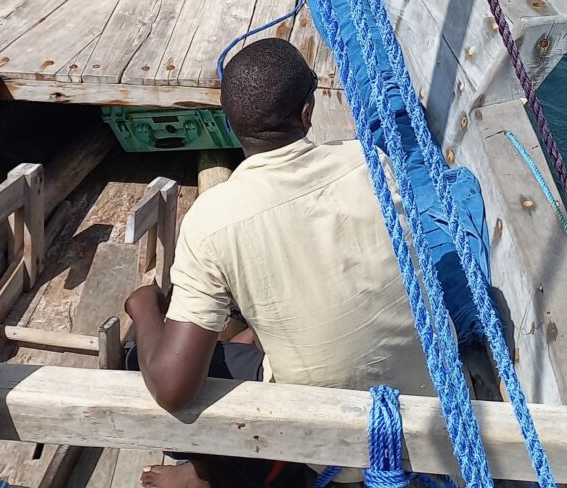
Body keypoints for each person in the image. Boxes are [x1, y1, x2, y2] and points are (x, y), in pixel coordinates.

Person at [124, 38, 436, 488]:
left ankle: (214, 476)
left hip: (332, 452)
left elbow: (174, 390)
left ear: (231, 127)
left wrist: (143, 308)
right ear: (307, 113)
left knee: (144, 361)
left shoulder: (212, 219)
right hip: (422, 421)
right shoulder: (374, 164)